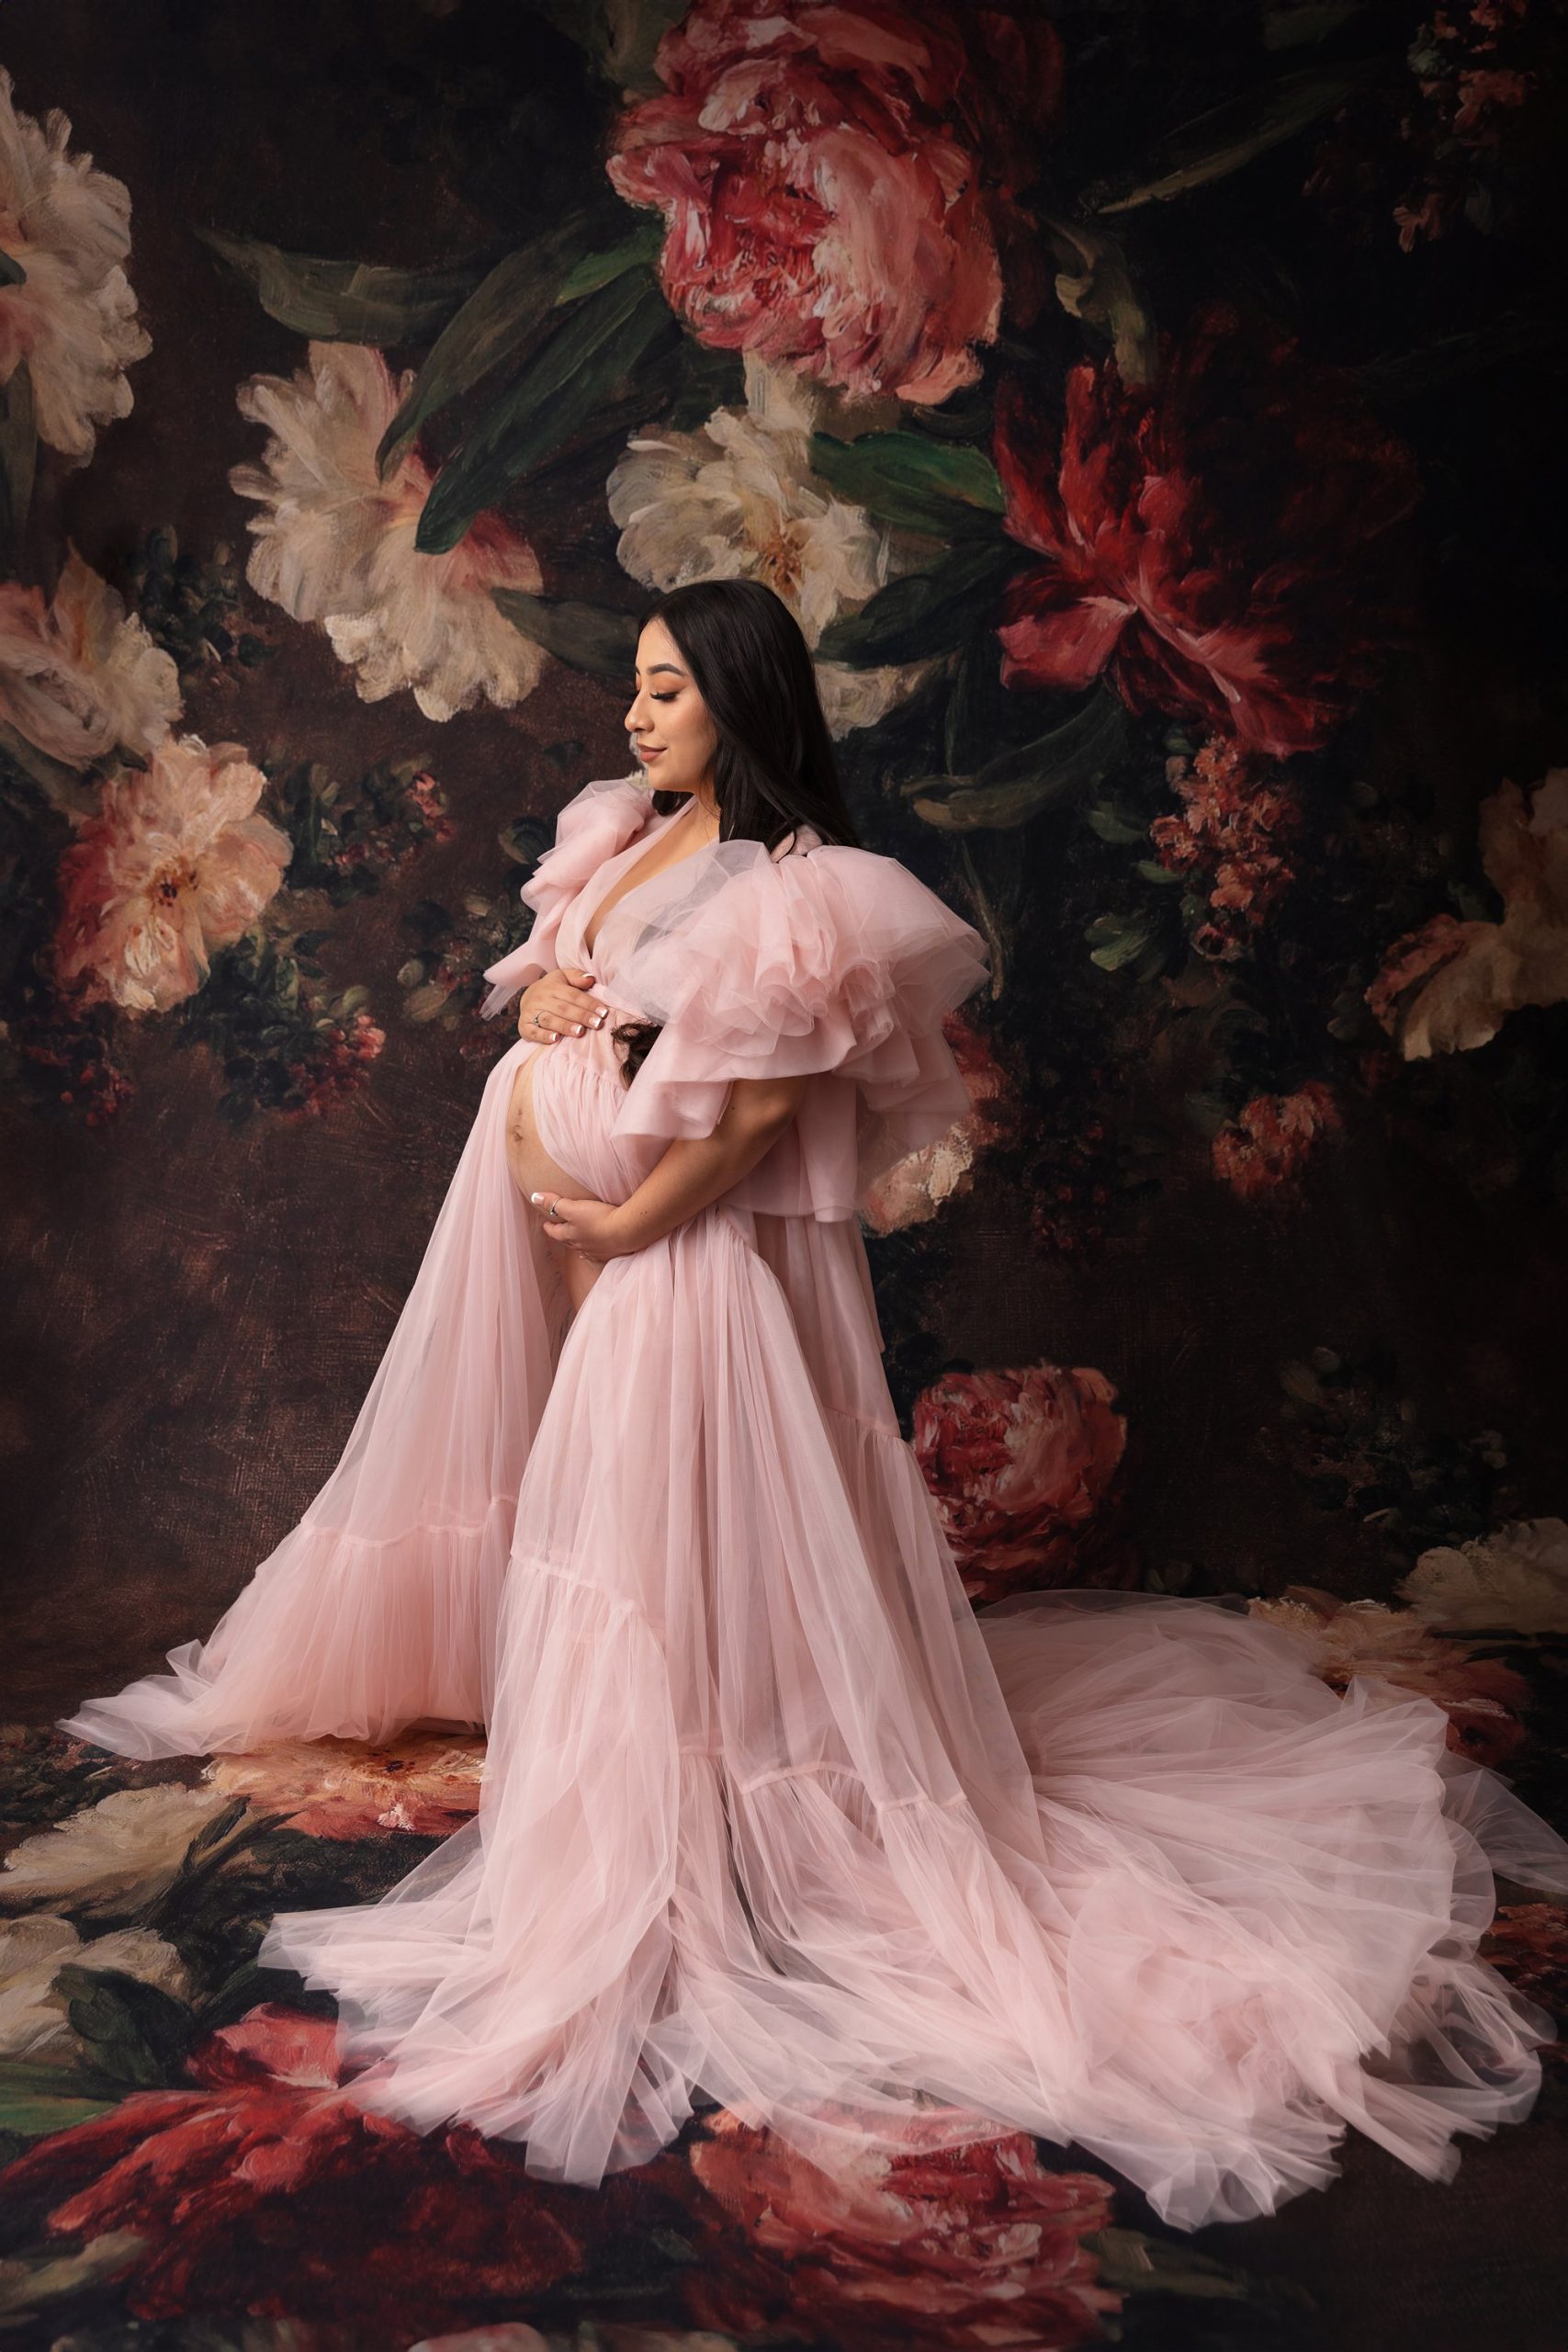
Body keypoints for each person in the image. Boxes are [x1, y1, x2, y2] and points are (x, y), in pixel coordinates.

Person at [59, 579, 1568, 2231]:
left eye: (669, 692)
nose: (637, 716)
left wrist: (629, 1220)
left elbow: (761, 1103)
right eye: (637, 687)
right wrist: (558, 1004)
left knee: (658, 1527)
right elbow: (576, 978)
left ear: (744, 702)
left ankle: (701, 1816)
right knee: (604, 1515)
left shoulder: (795, 888)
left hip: (687, 1258)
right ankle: (642, 1782)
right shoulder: (630, 834)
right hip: (592, 1244)